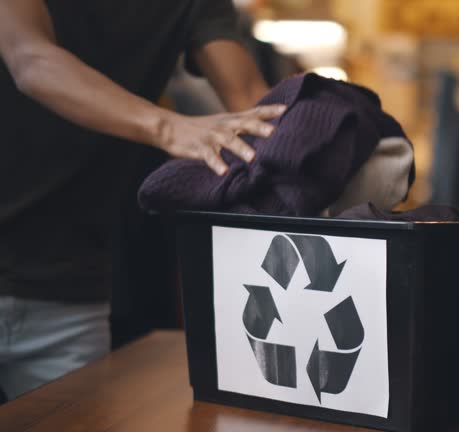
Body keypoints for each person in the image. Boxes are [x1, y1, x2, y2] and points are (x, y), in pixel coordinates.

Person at [0, 0, 285, 401]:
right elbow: (29, 60)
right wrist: (170, 128)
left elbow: (252, 99)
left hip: (71, 285)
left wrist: (334, 132)